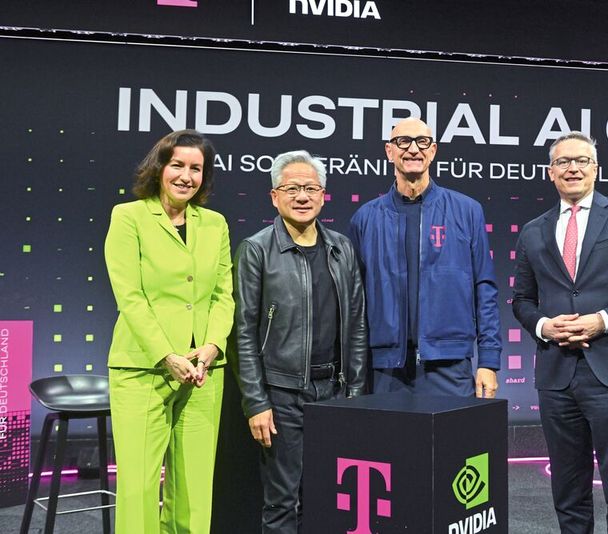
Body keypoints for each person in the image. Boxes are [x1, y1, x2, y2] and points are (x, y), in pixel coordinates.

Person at [512, 131, 608, 533]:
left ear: (596, 169)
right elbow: (522, 300)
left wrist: (603, 320)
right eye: (563, 162)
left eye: (582, 160)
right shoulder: (533, 230)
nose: (573, 168)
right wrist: (544, 326)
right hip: (557, 376)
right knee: (568, 494)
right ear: (550, 172)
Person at [104, 129, 234, 533]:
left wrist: (212, 346)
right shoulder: (128, 217)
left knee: (194, 489)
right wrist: (167, 355)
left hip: (203, 373)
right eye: (178, 165)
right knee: (139, 489)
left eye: (196, 168)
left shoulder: (215, 224)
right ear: (159, 168)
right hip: (144, 369)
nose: (186, 176)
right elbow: (130, 297)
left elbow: (223, 295)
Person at [233, 150, 367, 533]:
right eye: (292, 189)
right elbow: (243, 332)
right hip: (281, 396)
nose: (302, 196)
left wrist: (355, 394)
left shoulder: (341, 248)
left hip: (333, 394)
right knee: (282, 503)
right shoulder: (256, 249)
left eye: (310, 188)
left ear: (323, 195)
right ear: (274, 196)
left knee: (326, 497)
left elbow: (357, 325)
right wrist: (256, 402)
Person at [348, 117, 502, 398]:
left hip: (449, 364)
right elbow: (354, 303)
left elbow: (485, 289)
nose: (413, 149)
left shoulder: (467, 211)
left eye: (422, 142)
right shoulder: (365, 218)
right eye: (403, 142)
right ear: (389, 151)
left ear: (433, 151)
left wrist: (489, 361)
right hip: (385, 368)